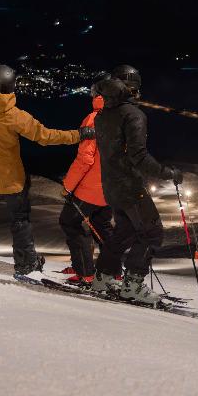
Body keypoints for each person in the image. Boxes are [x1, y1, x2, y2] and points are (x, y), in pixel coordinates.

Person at [0, 64, 89, 272]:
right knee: (19, 219)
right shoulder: (16, 116)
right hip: (10, 179)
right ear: (11, 87)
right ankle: (26, 261)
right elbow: (46, 136)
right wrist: (79, 135)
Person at [92, 65, 182, 303]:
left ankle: (103, 277)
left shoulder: (102, 114)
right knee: (152, 233)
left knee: (124, 232)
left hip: (111, 185)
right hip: (130, 186)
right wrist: (168, 173)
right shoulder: (133, 115)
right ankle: (132, 285)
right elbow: (138, 156)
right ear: (131, 89)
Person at [58, 78, 113, 286]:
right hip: (112, 188)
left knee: (69, 221)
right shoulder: (122, 118)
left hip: (91, 188)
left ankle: (85, 273)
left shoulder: (94, 119)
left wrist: (68, 186)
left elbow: (85, 159)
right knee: (102, 225)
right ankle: (112, 271)